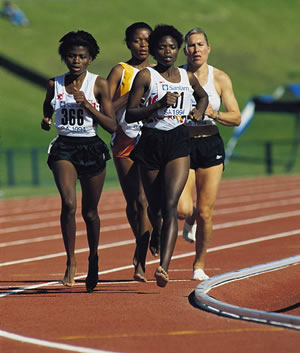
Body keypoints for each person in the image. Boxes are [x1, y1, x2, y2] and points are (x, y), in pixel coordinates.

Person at [126, 24, 208, 287]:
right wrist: (159, 103)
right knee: (156, 207)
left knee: (171, 205)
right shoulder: (146, 77)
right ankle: (156, 236)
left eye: (172, 47)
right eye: (162, 47)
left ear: (178, 49)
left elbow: (202, 97)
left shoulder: (187, 77)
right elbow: (131, 113)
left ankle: (164, 267)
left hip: (177, 142)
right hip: (150, 142)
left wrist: (198, 111)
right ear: (154, 50)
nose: (167, 52)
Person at [41, 30, 117, 292]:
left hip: (91, 146)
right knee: (69, 202)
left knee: (90, 211)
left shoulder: (99, 85)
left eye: (82, 56)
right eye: (72, 56)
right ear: (65, 57)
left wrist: (87, 105)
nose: (76, 60)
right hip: (64, 147)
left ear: (90, 59)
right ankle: (71, 260)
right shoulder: (55, 84)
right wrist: (47, 119)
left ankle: (93, 257)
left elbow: (112, 125)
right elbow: (48, 106)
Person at [177, 27, 241, 281]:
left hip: (210, 145)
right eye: (191, 45)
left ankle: (199, 265)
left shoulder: (220, 78)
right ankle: (188, 218)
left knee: (206, 211)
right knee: (183, 208)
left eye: (200, 44)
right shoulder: (176, 76)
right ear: (185, 50)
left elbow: (235, 117)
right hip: (182, 144)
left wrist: (213, 113)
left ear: (208, 48)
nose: (196, 50)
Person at [107, 22, 158, 282]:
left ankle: (140, 256)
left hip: (149, 139)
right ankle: (142, 238)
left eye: (147, 40)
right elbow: (104, 108)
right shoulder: (120, 70)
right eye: (137, 40)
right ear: (128, 43)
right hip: (124, 140)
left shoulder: (158, 71)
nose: (143, 45)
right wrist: (129, 96)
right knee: (133, 203)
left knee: (144, 200)